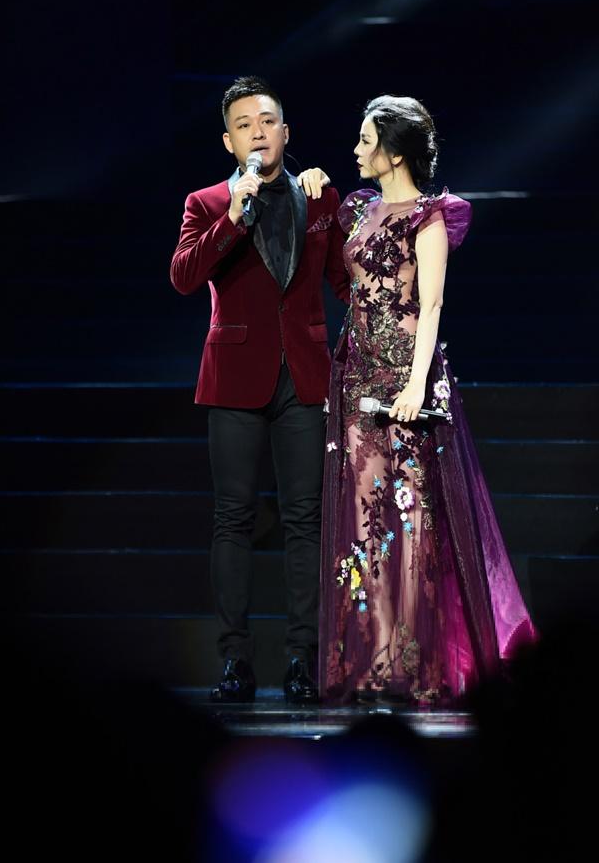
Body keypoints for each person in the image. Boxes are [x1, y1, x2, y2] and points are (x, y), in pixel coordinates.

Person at [318, 95, 536, 704]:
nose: (356, 150)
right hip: (357, 375)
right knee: (365, 523)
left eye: (366, 141)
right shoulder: (357, 209)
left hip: (407, 376)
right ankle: (371, 661)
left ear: (394, 152)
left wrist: (416, 384)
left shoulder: (430, 216)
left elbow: (431, 304)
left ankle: (413, 665)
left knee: (412, 521)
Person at [170, 76, 349, 704]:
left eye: (267, 121)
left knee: (305, 519)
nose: (258, 133)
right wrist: (232, 217)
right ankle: (234, 661)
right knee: (233, 517)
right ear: (229, 141)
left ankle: (303, 658)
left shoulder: (319, 197)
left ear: (286, 131)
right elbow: (184, 277)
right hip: (234, 375)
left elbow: (346, 282)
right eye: (244, 125)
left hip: (304, 375)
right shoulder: (206, 202)